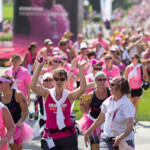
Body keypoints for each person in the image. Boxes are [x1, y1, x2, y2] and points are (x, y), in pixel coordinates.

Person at [30, 53, 87, 150]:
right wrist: (39, 66)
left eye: (62, 79)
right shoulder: (47, 93)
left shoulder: (69, 95)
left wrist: (81, 68)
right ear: (53, 80)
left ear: (66, 80)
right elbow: (33, 87)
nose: (59, 81)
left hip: (68, 137)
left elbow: (82, 89)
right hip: (50, 136)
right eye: (56, 79)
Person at [84, 76, 135, 150]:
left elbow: (130, 126)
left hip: (125, 140)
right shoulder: (108, 101)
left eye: (112, 84)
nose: (109, 86)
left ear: (119, 87)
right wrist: (87, 132)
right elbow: (100, 119)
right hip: (107, 138)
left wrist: (120, 137)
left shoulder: (127, 104)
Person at [79, 72, 111, 150]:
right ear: (95, 81)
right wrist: (81, 103)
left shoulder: (110, 92)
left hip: (107, 123)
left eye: (104, 79)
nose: (102, 82)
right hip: (93, 122)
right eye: (100, 79)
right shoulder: (91, 95)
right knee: (95, 146)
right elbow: (85, 110)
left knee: (107, 146)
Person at [0, 74, 32, 150]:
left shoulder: (18, 94)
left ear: (8, 83)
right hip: (4, 130)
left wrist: (20, 121)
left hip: (17, 128)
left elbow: (25, 111)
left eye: (0, 82)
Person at [124, 53, 147, 120]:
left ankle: (134, 118)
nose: (131, 59)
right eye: (131, 58)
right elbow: (125, 77)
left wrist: (144, 81)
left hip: (138, 87)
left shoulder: (141, 67)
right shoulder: (129, 67)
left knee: (136, 103)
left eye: (133, 58)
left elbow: (145, 75)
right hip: (130, 88)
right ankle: (132, 116)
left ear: (137, 59)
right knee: (131, 103)